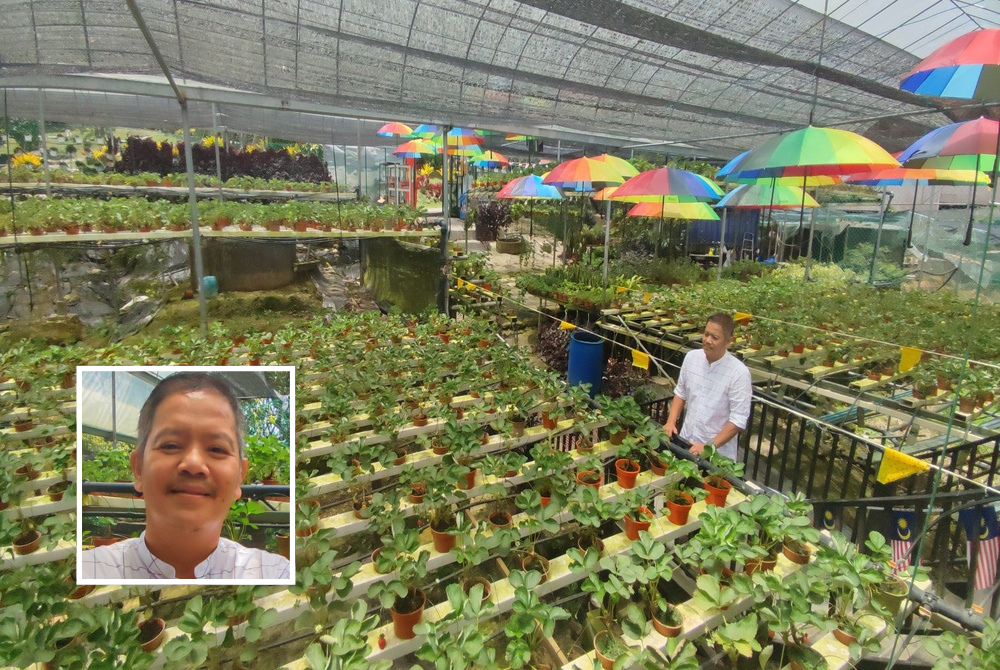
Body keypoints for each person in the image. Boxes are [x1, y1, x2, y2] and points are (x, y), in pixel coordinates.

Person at [81, 372, 290, 580]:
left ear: (239, 478)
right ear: (138, 469)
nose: (193, 464)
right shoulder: (88, 571)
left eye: (217, 449)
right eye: (170, 445)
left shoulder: (276, 574)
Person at [664, 313, 752, 462]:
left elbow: (738, 420)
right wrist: (671, 422)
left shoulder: (739, 373)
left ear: (728, 342)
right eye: (706, 334)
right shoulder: (692, 358)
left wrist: (708, 446)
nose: (707, 340)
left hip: (717, 456)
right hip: (686, 442)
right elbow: (681, 392)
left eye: (715, 337)